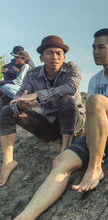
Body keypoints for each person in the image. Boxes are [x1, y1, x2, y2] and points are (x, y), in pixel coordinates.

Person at [15, 28, 108, 220]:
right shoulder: (95, 79)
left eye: (100, 47)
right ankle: (25, 217)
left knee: (96, 100)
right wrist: (89, 141)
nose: (95, 52)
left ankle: (95, 168)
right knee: (61, 162)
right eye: (93, 48)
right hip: (102, 133)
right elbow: (92, 117)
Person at [0, 35, 85, 187]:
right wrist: (20, 105)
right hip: (49, 124)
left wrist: (39, 96)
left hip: (73, 121)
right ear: (41, 58)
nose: (55, 57)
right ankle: (8, 162)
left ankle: (65, 150)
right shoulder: (33, 75)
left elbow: (70, 88)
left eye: (59, 53)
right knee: (7, 110)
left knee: (66, 99)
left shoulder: (72, 69)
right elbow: (19, 96)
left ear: (64, 56)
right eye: (50, 53)